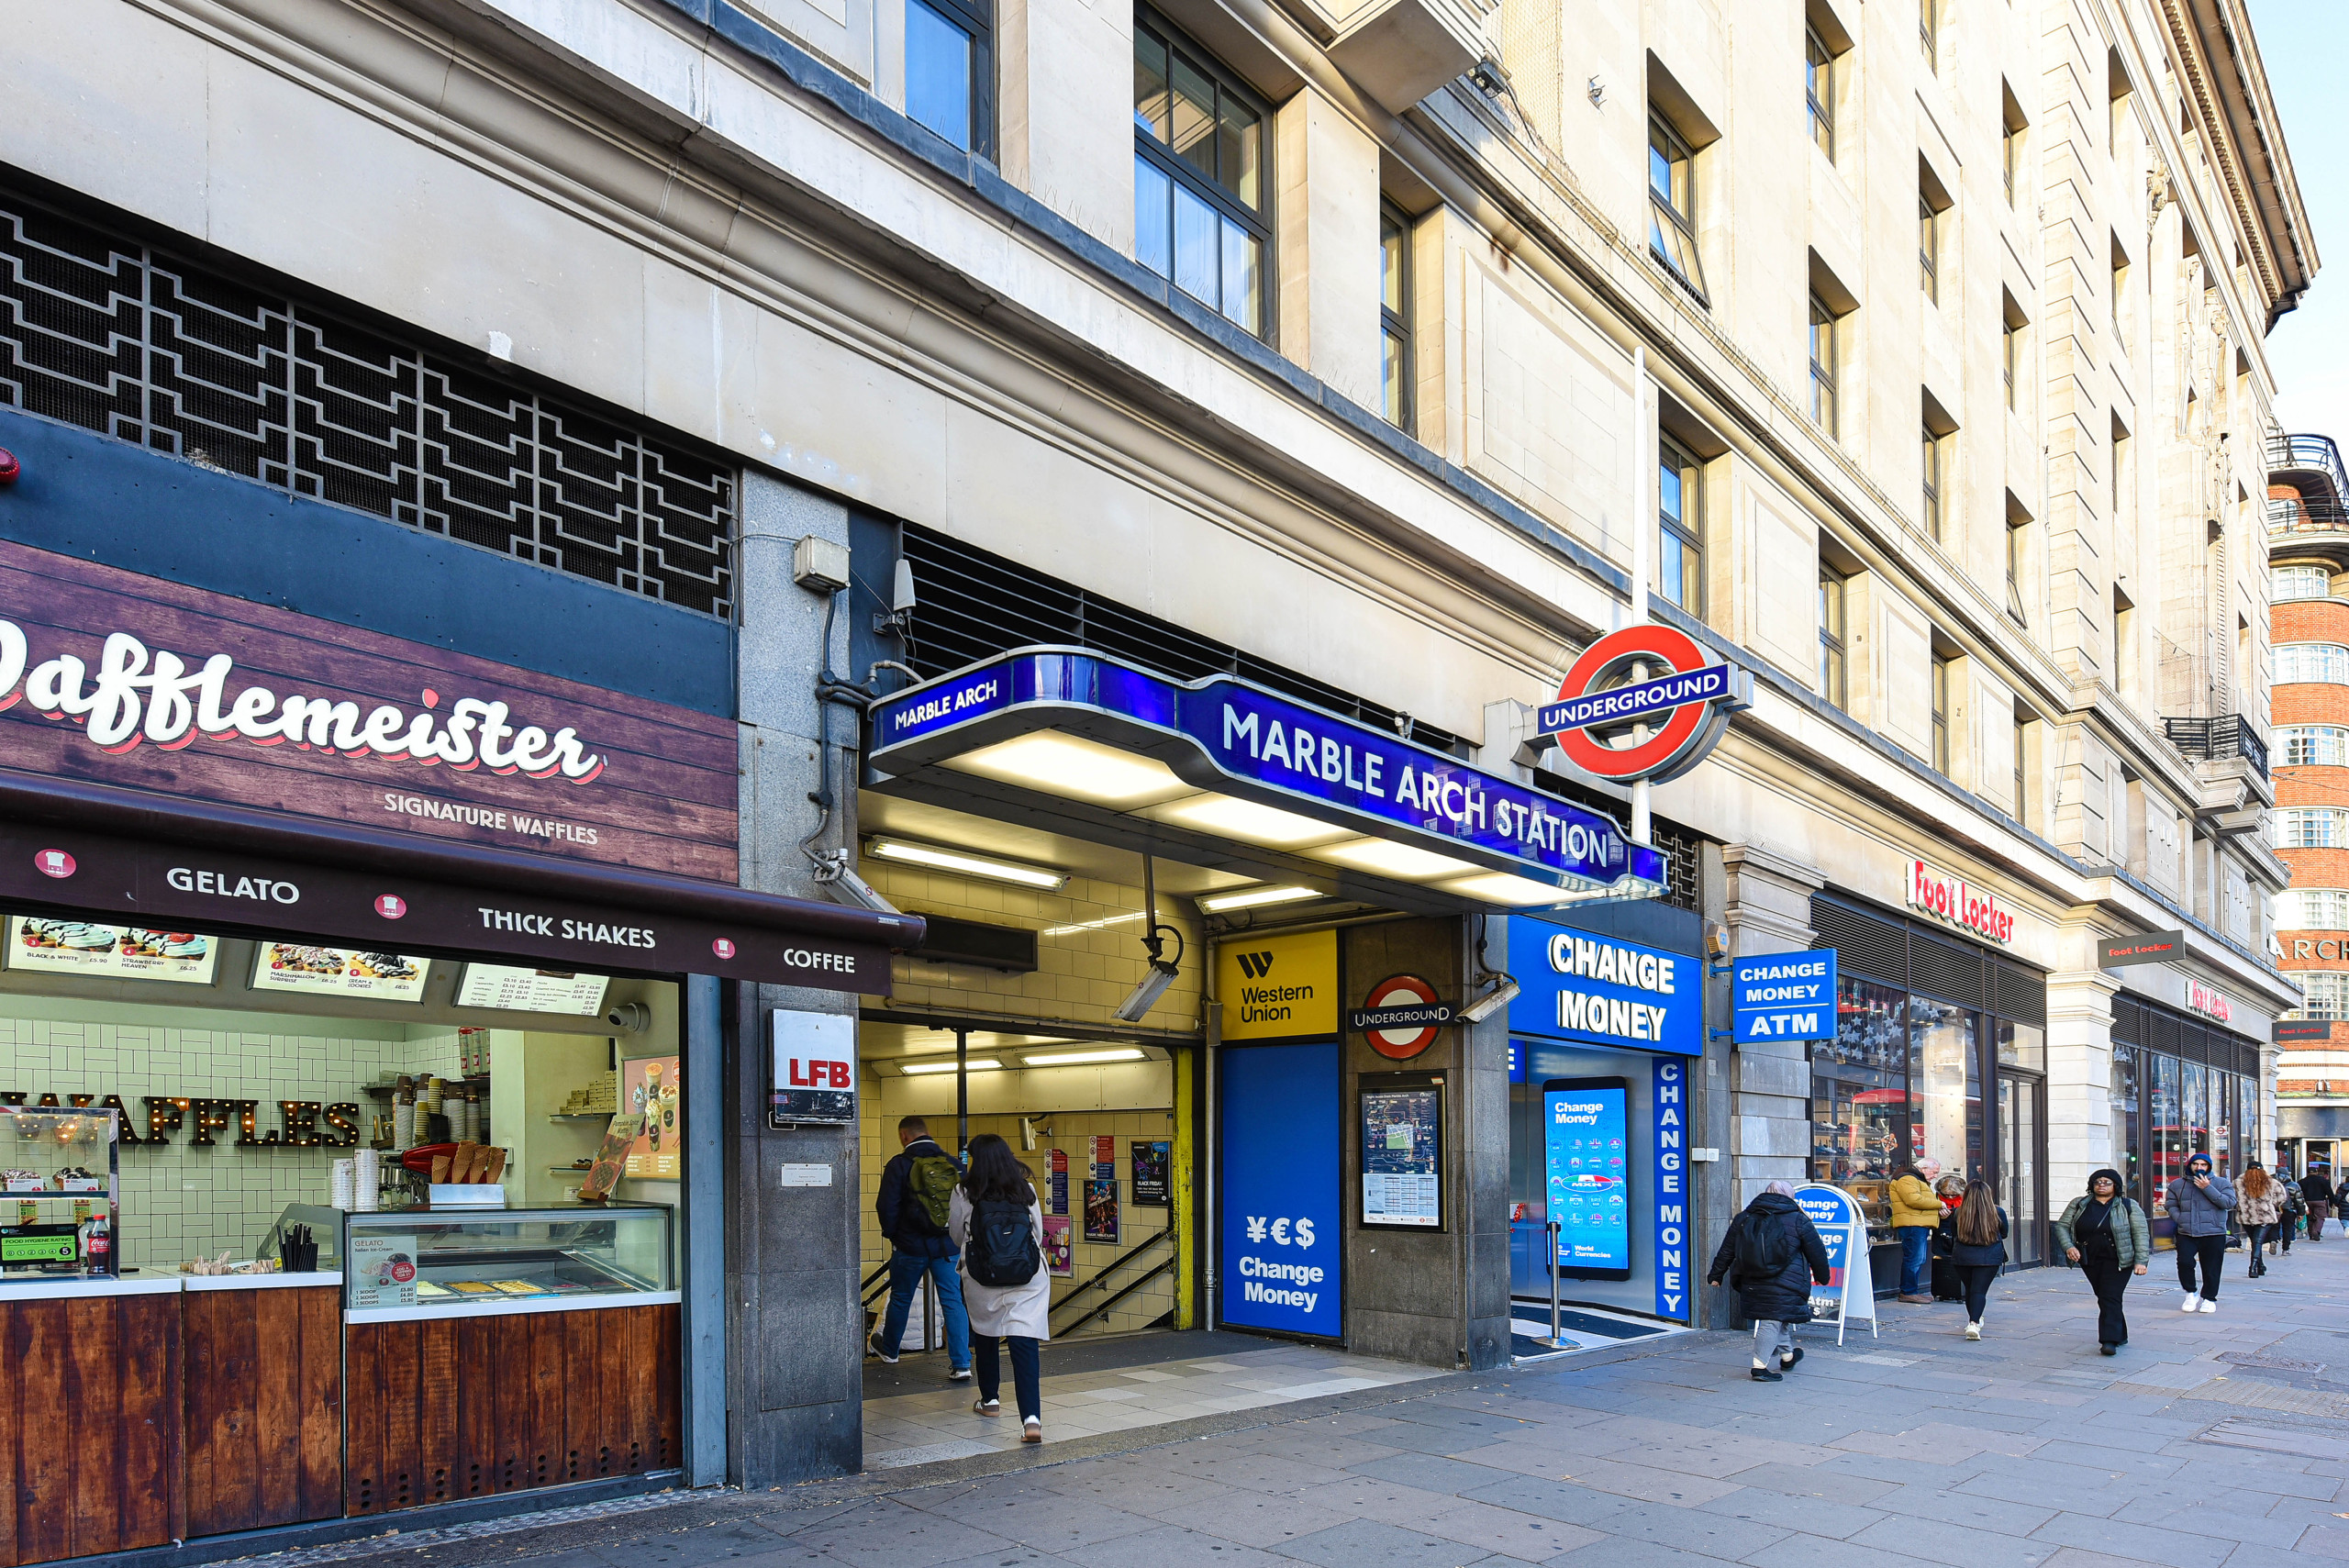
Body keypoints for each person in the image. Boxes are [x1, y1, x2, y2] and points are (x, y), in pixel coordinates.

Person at [951, 1131, 1052, 1442]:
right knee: (1024, 1341)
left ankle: (990, 1401)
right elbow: (1038, 1233)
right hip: (1027, 1275)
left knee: (986, 1332)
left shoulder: (964, 1191)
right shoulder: (1026, 1189)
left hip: (984, 1274)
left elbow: (957, 1236)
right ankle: (1031, 1420)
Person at [871, 1115, 972, 1379]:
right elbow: (967, 1205)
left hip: (910, 1247)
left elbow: (886, 1206)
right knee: (953, 1300)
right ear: (926, 1132)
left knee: (901, 1297)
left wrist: (895, 1236)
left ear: (904, 1136)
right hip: (947, 1247)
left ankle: (890, 1350)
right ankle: (962, 1364)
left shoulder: (899, 1164)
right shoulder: (954, 1164)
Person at [1705, 1180, 1831, 1383]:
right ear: (1789, 1196)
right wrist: (1823, 1277)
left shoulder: (1744, 1217)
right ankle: (1759, 1367)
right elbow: (1817, 1252)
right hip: (1787, 1281)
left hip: (1752, 1279)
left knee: (1778, 1317)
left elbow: (1727, 1249)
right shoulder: (1798, 1219)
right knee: (1771, 1321)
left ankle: (1788, 1357)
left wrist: (1716, 1274)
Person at [2052, 1168, 2150, 1353]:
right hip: (2090, 1259)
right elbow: (2062, 1226)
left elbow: (2141, 1234)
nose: (2101, 1185)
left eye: (2106, 1182)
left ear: (2116, 1185)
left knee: (2109, 1296)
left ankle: (2109, 1340)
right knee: (2105, 1296)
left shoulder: (2128, 1205)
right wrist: (2069, 1247)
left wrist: (2141, 1261)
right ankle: (2121, 1334)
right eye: (2097, 1182)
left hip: (2119, 1259)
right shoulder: (2079, 1204)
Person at [2166, 1152, 2237, 1312]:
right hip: (2186, 1232)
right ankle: (2191, 1292)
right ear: (2190, 1165)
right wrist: (2180, 1219)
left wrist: (2207, 1188)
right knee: (2184, 1262)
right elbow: (2170, 1204)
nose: (2199, 1167)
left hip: (2214, 1232)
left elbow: (2229, 1203)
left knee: (2211, 1267)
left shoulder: (2221, 1183)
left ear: (2209, 1167)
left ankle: (2209, 1299)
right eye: (2195, 1164)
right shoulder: (2178, 1184)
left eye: (2203, 1165)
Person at [1940, 1180, 2009, 1340]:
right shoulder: (1998, 1212)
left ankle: (1974, 1320)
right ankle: (1974, 1323)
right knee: (1979, 1291)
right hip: (1989, 1257)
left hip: (1962, 1257)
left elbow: (1954, 1233)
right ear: (1987, 1195)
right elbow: (2004, 1233)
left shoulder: (1958, 1212)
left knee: (1970, 1290)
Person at [1888, 1159, 1944, 1305]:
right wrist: (1939, 1204)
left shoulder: (1915, 1179)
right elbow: (1914, 1200)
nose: (1935, 1176)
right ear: (1924, 1168)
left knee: (1917, 1259)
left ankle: (1912, 1291)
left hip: (1917, 1224)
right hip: (1912, 1225)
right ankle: (1908, 1292)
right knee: (1914, 1258)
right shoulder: (1907, 1179)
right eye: (1934, 1172)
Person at [2237, 1163, 2285, 1278]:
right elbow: (2281, 1197)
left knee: (2255, 1241)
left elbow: (2233, 1198)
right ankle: (2253, 1267)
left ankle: (2260, 1266)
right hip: (2265, 1216)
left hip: (2247, 1216)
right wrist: (2270, 1204)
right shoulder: (2271, 1182)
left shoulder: (2238, 1182)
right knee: (2257, 1242)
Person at [2300, 1164, 2332, 1241]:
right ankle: (2316, 1231)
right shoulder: (2323, 1180)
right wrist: (2333, 1202)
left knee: (2310, 1218)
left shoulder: (2302, 1182)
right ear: (2316, 1172)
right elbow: (2329, 1192)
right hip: (2320, 1201)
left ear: (2307, 1173)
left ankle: (2311, 1234)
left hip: (2307, 1202)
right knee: (2320, 1217)